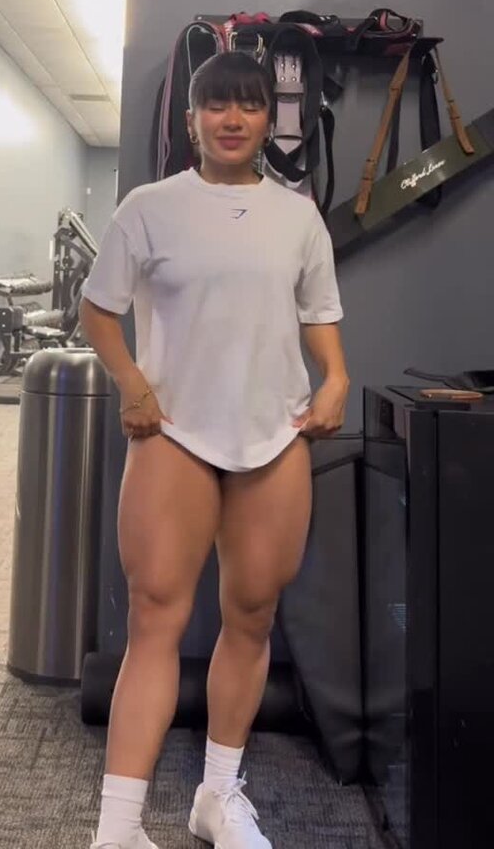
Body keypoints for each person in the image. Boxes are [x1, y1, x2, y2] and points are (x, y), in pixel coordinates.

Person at [79, 51, 349, 849]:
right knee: (156, 616)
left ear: (269, 120)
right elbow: (98, 309)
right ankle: (117, 830)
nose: (233, 119)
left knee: (253, 614)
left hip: (274, 434)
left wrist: (336, 378)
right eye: (217, 106)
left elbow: (319, 314)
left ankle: (217, 798)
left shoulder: (298, 217)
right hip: (174, 433)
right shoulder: (149, 208)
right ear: (192, 119)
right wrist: (132, 382)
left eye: (249, 106)